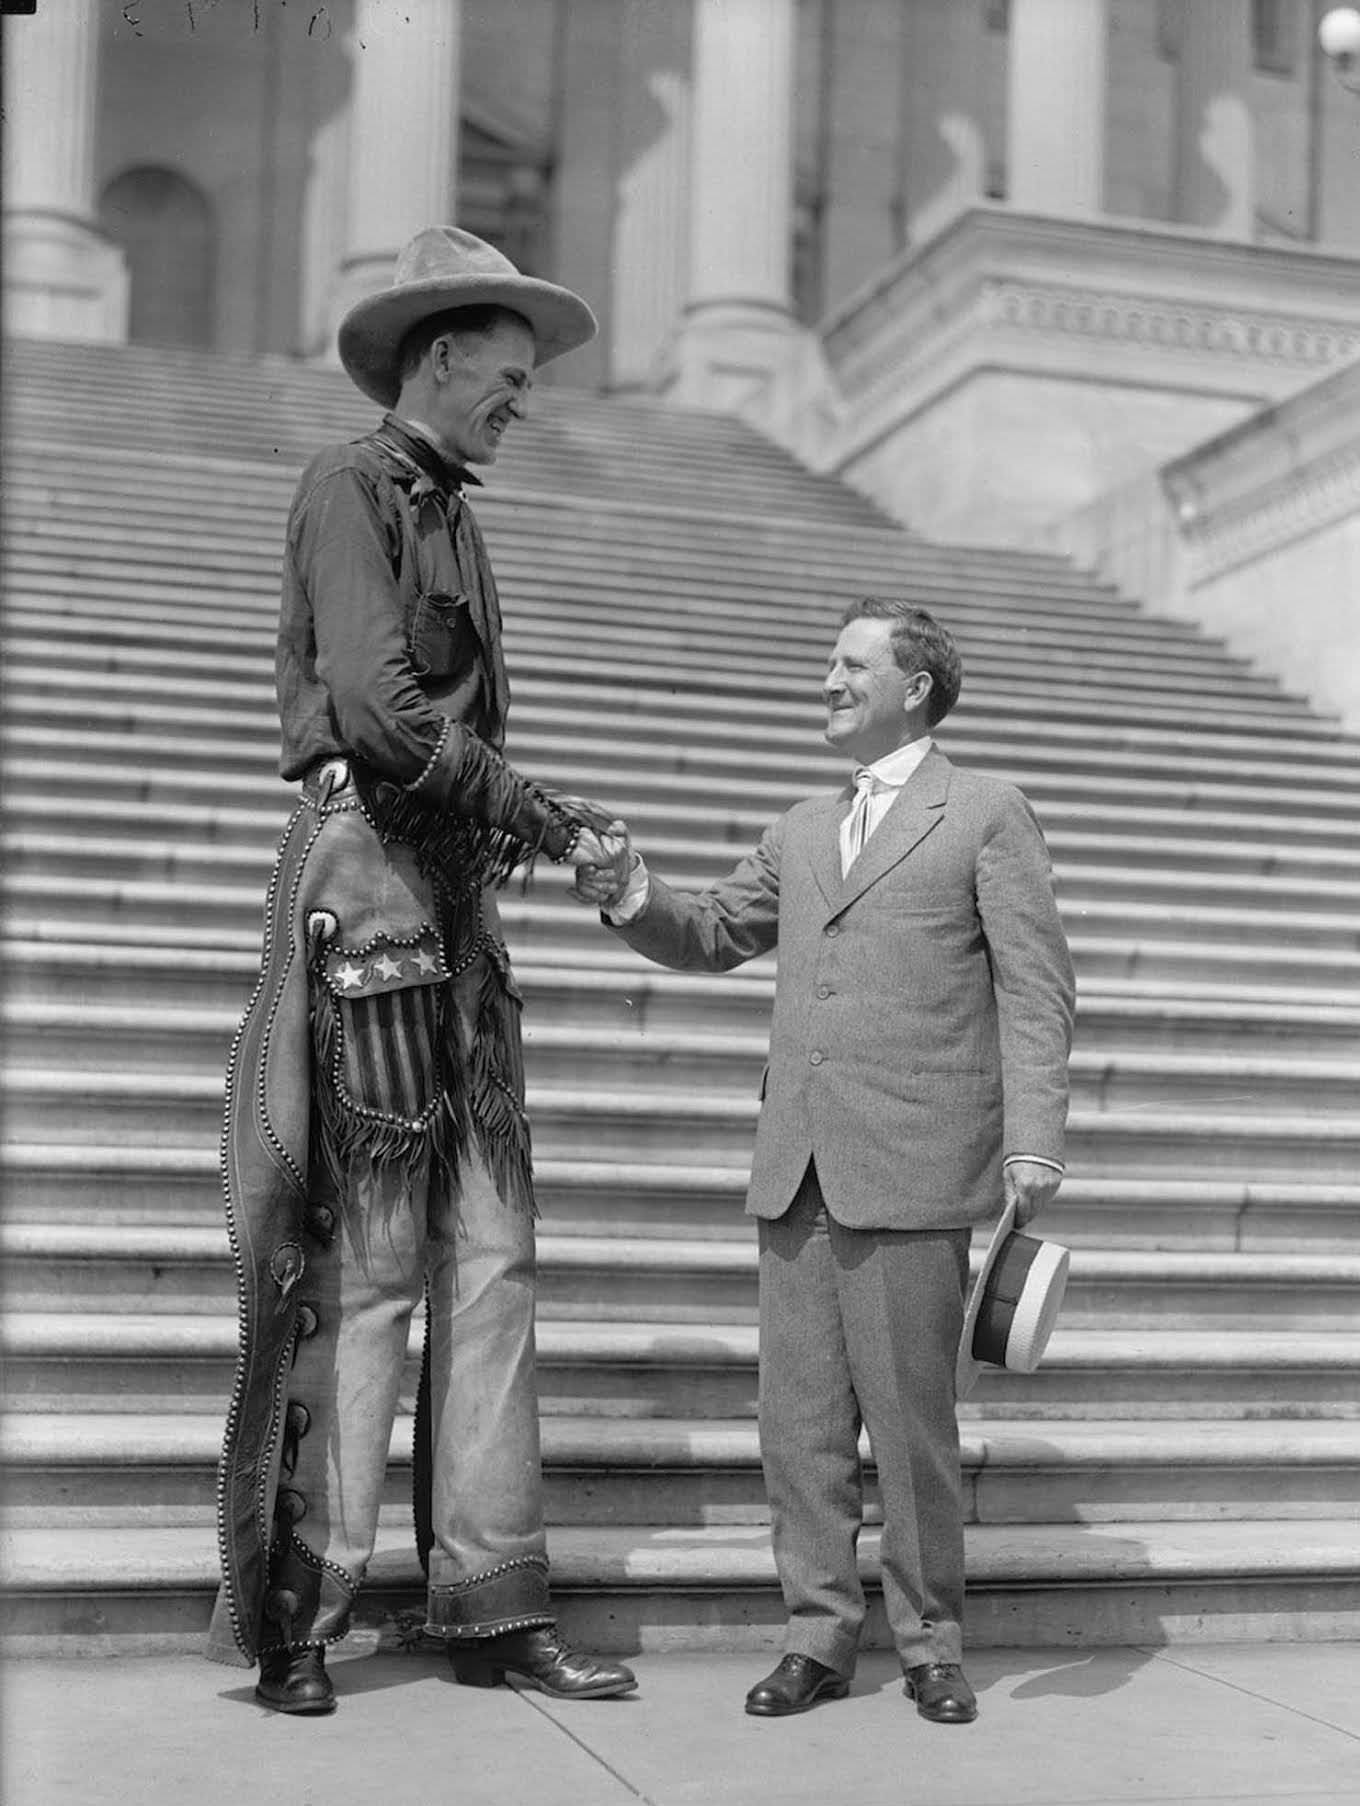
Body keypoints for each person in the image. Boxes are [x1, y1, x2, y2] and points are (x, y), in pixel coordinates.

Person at [209, 226, 636, 1715]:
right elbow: (383, 716)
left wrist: (517, 821)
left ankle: (492, 1601)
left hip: (452, 909)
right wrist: (537, 811)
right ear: (439, 358)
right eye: (507, 378)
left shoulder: (455, 511)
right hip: (376, 897)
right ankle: (302, 1622)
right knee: (372, 1267)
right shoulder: (350, 488)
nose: (522, 403)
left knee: (494, 1263)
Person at [574, 599, 1075, 1723]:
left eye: (852, 664)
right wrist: (628, 889)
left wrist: (1033, 1132)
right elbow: (708, 932)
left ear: (917, 687)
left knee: (909, 1429)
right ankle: (816, 1636)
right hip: (796, 1162)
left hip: (915, 1159)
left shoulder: (986, 811)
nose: (828, 679)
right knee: (796, 1426)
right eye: (827, 662)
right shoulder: (801, 827)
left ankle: (931, 1641)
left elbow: (1034, 987)